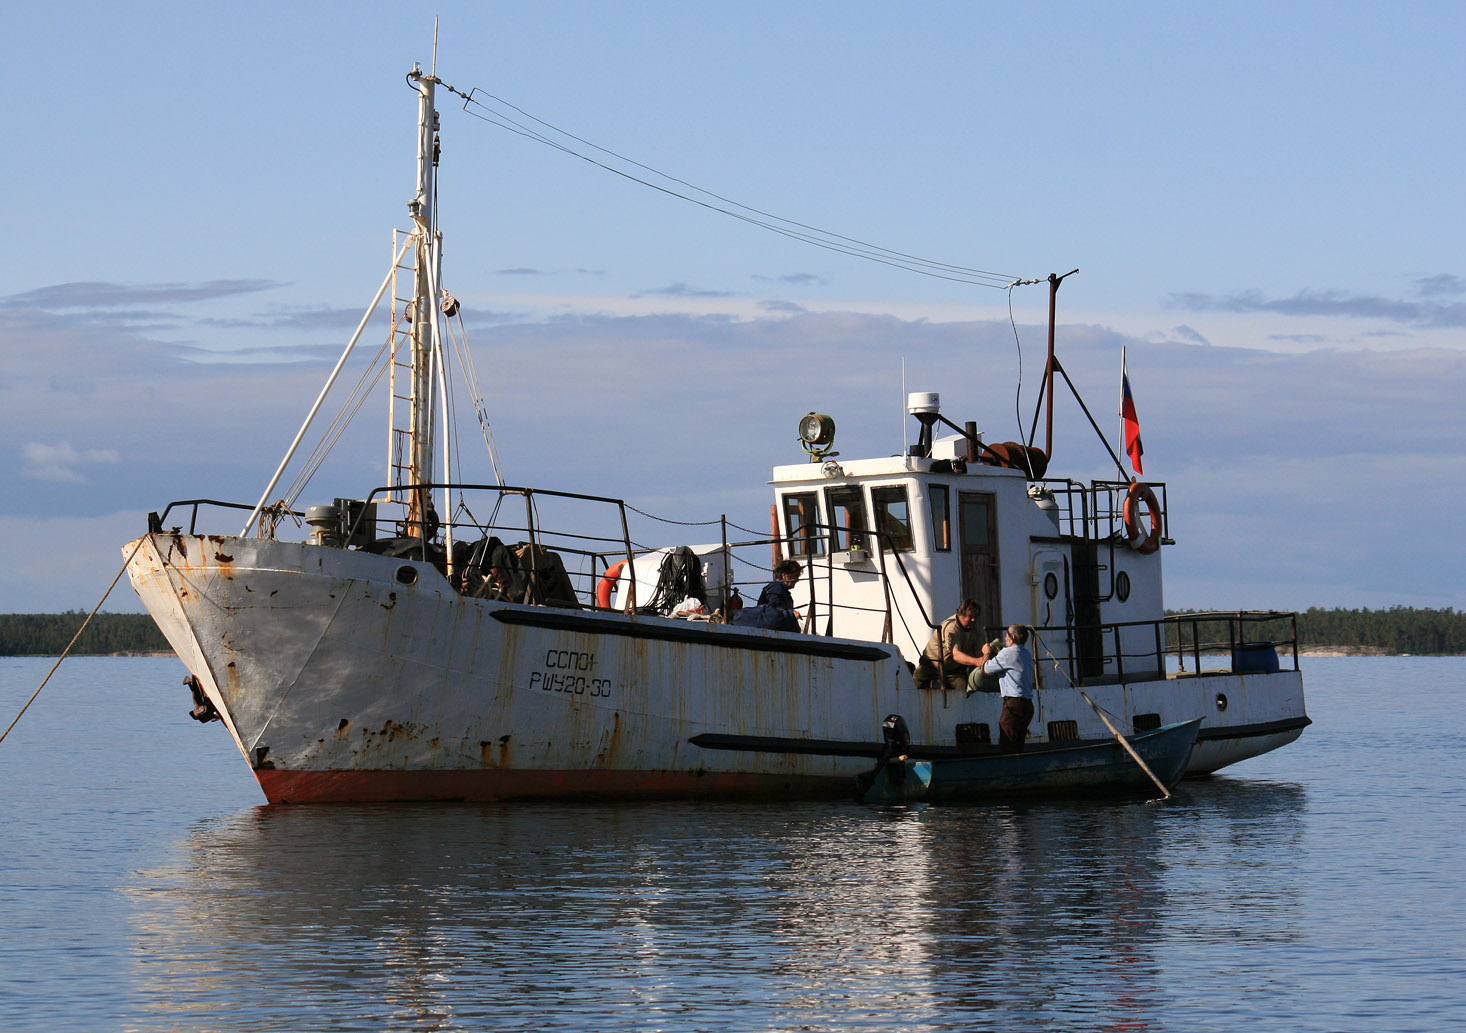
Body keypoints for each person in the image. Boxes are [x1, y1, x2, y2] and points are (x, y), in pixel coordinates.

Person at [915, 599, 1000, 693]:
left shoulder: (976, 630)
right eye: (971, 616)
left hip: (953, 671)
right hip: (931, 666)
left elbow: (978, 652)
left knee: (963, 689)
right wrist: (977, 662)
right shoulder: (951, 627)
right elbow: (956, 655)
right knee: (915, 684)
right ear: (961, 615)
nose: (974, 620)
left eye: (976, 617)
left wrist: (987, 653)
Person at [983, 624, 1036, 752]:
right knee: (1019, 743)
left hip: (1014, 704)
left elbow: (985, 669)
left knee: (1007, 743)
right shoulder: (1027, 654)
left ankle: (1009, 768)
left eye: (1006, 635)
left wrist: (986, 653)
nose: (1005, 638)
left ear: (1012, 637)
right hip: (1028, 705)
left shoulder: (1007, 653)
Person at [731, 559, 803, 631]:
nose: (797, 580)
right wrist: (791, 613)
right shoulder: (776, 589)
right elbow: (772, 611)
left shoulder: (780, 590)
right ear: (784, 575)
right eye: (795, 576)